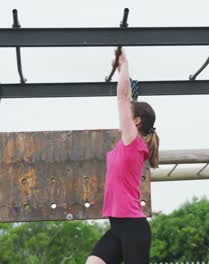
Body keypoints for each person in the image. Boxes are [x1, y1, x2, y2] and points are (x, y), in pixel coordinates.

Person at [86, 48, 160, 264]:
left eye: (130, 112)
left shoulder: (133, 142)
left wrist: (124, 66)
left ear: (136, 121)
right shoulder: (127, 144)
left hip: (133, 228)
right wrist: (120, 67)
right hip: (118, 226)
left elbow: (123, 96)